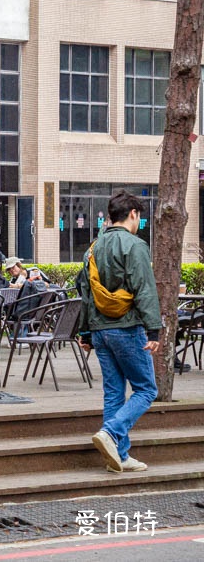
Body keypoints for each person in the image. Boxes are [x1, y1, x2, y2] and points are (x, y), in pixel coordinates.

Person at [76, 190, 161, 473]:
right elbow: (144, 289)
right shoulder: (135, 246)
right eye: (139, 217)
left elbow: (85, 292)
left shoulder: (93, 248)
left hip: (100, 331)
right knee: (147, 389)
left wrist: (86, 334)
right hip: (128, 328)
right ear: (133, 214)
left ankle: (120, 457)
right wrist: (154, 331)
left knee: (114, 393)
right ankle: (111, 433)